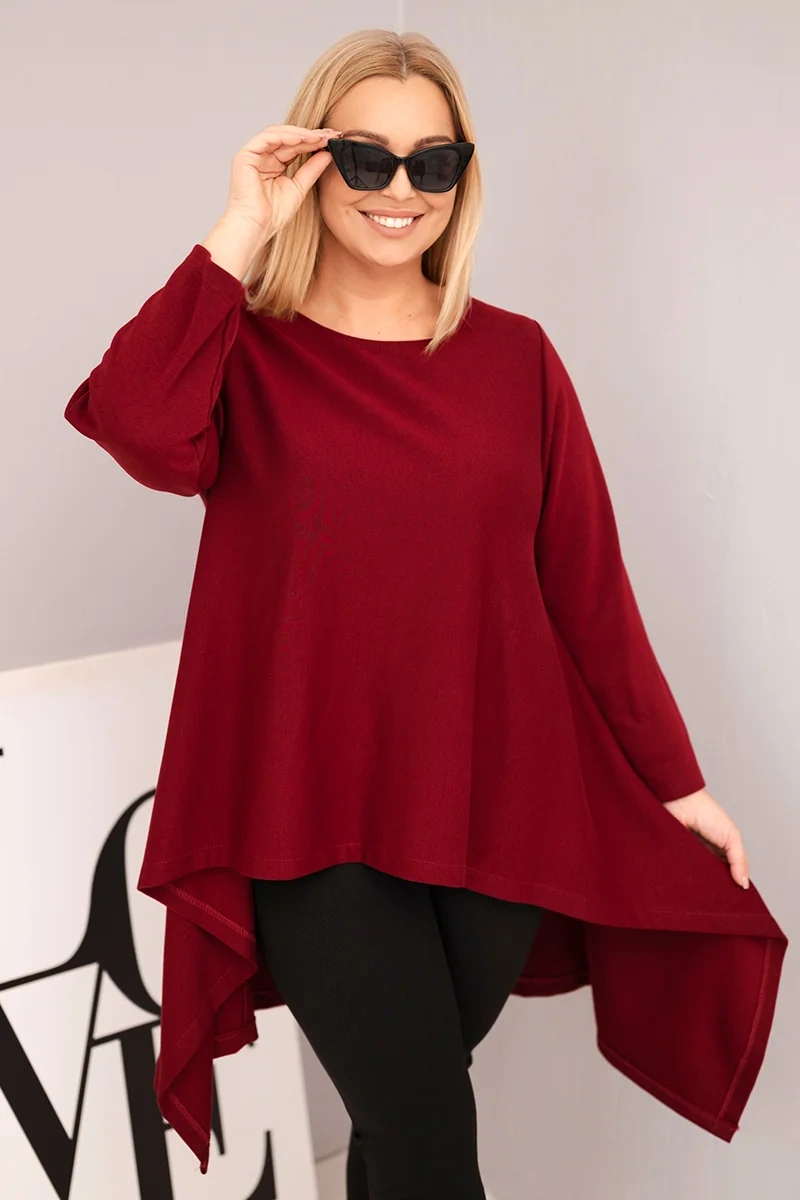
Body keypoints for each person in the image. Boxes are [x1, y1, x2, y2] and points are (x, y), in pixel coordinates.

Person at [63, 27, 786, 1200]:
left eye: (432, 162)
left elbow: (587, 593)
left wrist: (676, 786)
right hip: (304, 811)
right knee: (426, 1129)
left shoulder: (517, 360)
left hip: (496, 803)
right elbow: (138, 425)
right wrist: (239, 225)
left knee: (403, 1124)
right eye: (365, 157)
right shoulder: (244, 351)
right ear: (311, 162)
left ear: (460, 177)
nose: (400, 189)